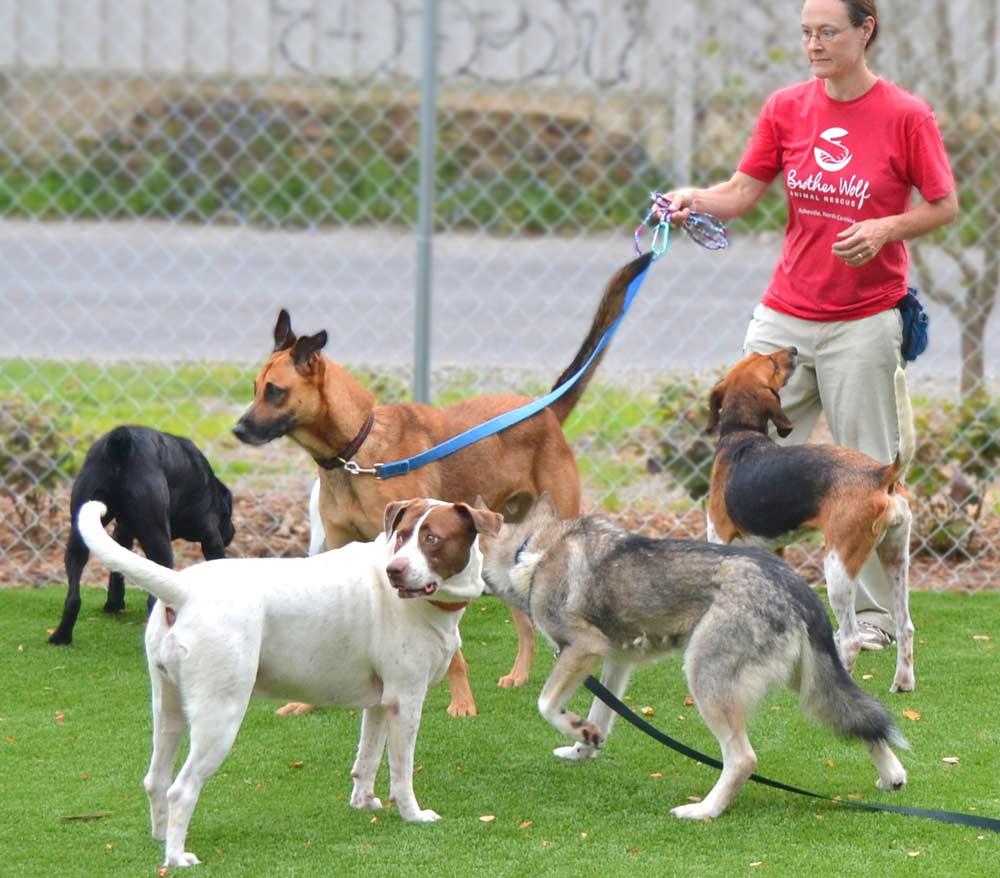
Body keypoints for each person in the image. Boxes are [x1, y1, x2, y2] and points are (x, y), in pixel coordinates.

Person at [662, 0, 958, 648]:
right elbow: (743, 191)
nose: (814, 44)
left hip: (865, 321)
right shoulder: (786, 107)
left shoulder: (906, 115)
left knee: (869, 474)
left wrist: (886, 226)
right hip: (785, 316)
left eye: (827, 31)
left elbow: (944, 204)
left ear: (865, 30)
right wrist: (694, 200)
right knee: (739, 458)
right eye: (806, 33)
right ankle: (741, 597)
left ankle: (877, 623)